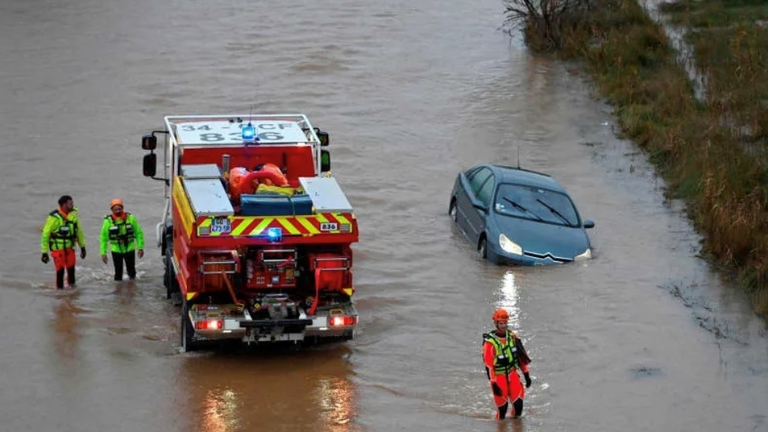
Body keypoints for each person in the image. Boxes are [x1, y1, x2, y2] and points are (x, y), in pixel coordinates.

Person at [483, 308, 532, 420]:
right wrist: (494, 384)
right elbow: (489, 366)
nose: (504, 326)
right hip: (499, 378)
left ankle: (516, 426)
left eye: (505, 323)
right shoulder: (489, 343)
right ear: (496, 323)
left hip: (512, 374)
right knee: (502, 412)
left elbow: (521, 357)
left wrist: (526, 374)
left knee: (519, 407)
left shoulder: (513, 337)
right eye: (501, 323)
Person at [40, 195, 87, 289]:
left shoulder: (73, 217)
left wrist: (83, 247)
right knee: (60, 272)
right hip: (58, 250)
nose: (73, 205)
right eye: (70, 203)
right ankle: (60, 295)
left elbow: (79, 232)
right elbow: (45, 234)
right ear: (64, 205)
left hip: (70, 249)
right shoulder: (53, 218)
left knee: (71, 271)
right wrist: (44, 252)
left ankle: (72, 293)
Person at [99, 198, 144, 281]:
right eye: (115, 209)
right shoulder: (107, 222)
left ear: (123, 208)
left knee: (132, 272)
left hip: (129, 248)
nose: (118, 211)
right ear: (112, 210)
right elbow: (103, 238)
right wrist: (103, 253)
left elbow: (138, 233)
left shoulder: (131, 218)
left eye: (119, 209)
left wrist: (140, 248)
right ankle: (118, 291)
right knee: (118, 273)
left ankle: (132, 289)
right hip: (116, 250)